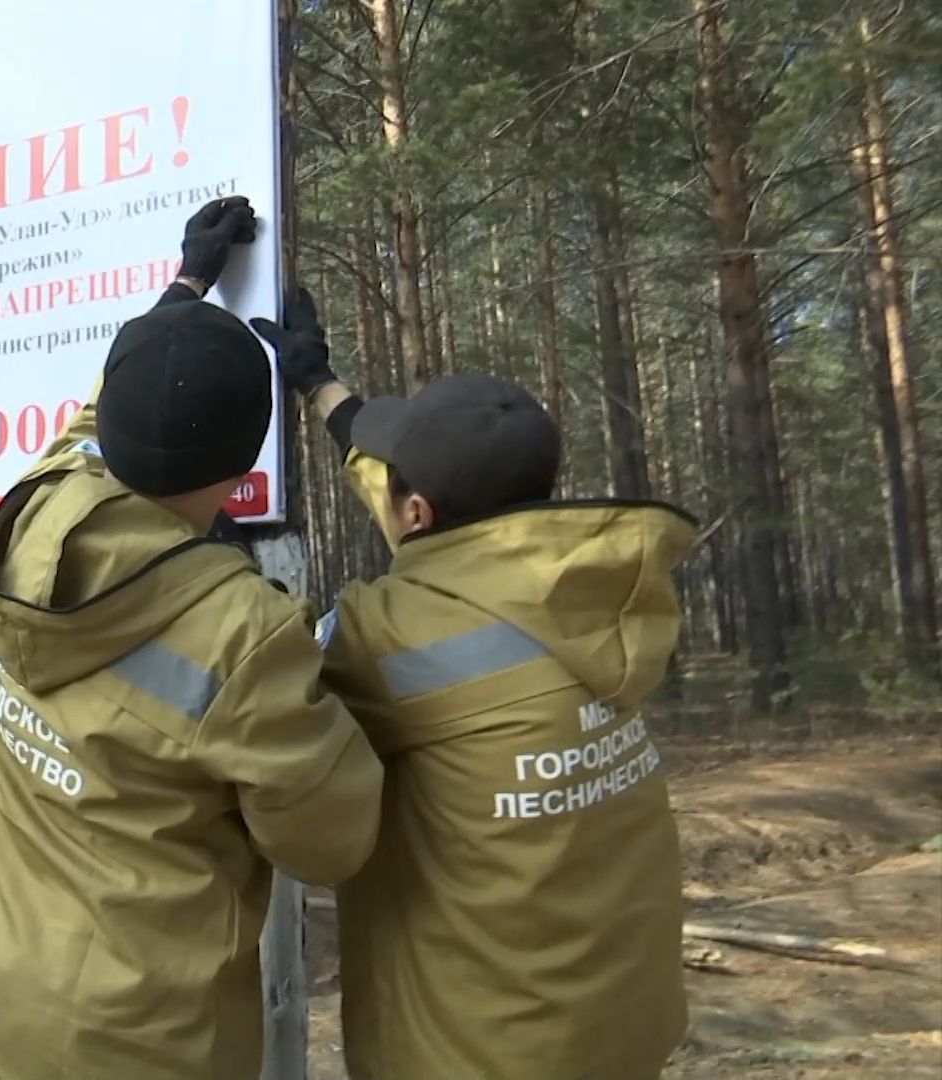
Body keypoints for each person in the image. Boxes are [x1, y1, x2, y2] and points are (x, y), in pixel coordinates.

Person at [0, 197, 384, 1080]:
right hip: (144, 1044)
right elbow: (329, 842)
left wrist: (184, 287)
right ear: (242, 468)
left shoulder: (30, 512)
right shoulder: (242, 632)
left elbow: (91, 418)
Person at [253, 292, 694, 1079]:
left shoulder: (375, 639)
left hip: (477, 1048)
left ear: (416, 512)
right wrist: (320, 384)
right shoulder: (600, 589)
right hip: (620, 1023)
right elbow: (406, 486)